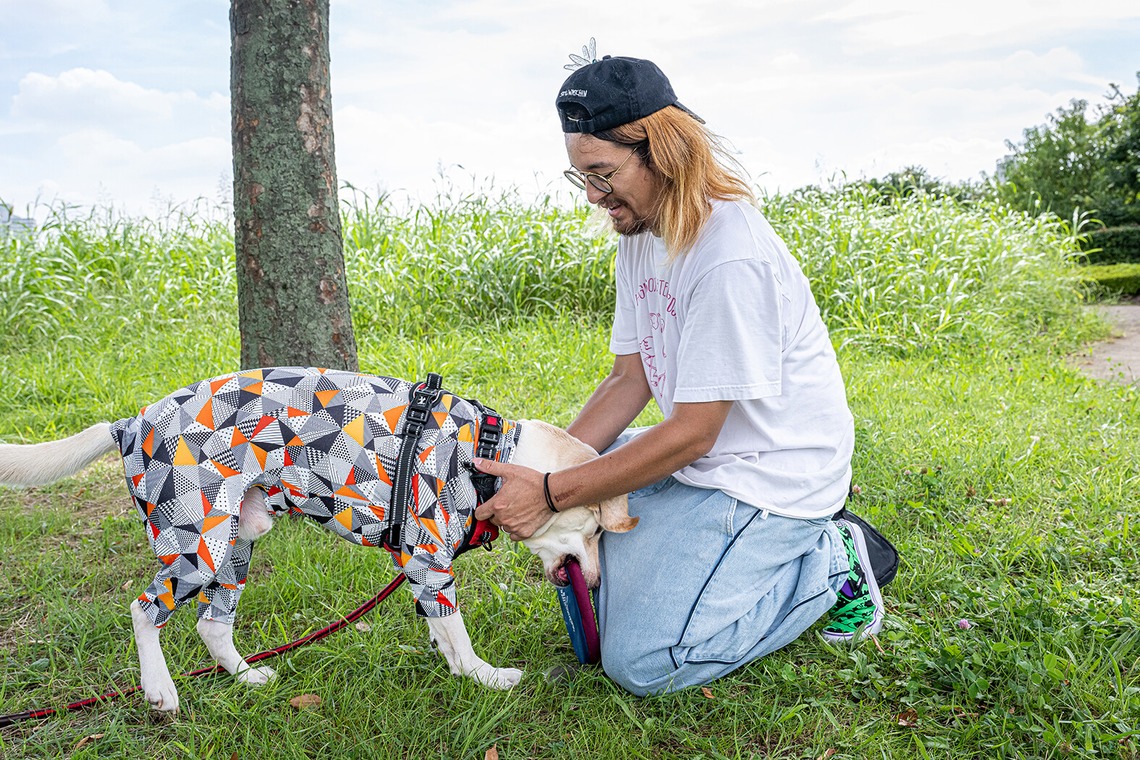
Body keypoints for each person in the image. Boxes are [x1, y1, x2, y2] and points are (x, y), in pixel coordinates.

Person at [473, 51, 884, 696]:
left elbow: (695, 434)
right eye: (579, 175)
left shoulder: (729, 255)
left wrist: (556, 496)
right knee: (598, 591)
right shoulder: (640, 234)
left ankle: (832, 563)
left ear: (660, 151)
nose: (592, 196)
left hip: (769, 475)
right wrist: (549, 471)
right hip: (705, 459)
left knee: (644, 662)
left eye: (603, 174)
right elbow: (628, 379)